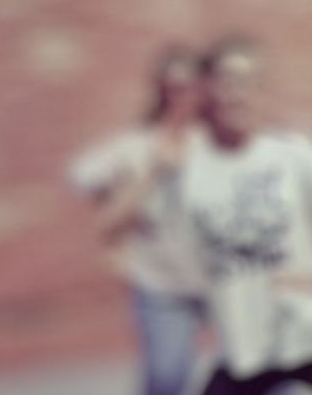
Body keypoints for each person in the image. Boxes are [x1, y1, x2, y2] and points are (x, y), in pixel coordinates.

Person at [184, 36, 312, 395]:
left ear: (260, 92)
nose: (237, 95)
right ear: (208, 91)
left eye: (247, 83)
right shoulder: (189, 169)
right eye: (227, 82)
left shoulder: (291, 154)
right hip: (245, 346)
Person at [69, 44, 208, 395]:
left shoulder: (221, 140)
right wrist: (151, 174)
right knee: (166, 378)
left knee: (269, 372)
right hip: (163, 285)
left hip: (224, 279)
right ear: (160, 90)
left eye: (191, 85)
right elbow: (84, 181)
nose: (183, 96)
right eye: (172, 87)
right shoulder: (136, 146)